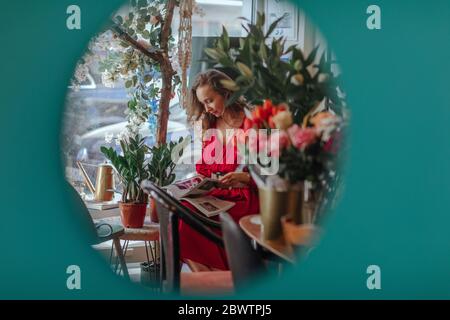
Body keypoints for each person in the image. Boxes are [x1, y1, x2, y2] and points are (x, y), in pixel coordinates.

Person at [180, 69, 260, 271]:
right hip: (217, 195)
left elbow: (271, 174)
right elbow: (206, 171)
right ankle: (210, 279)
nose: (206, 109)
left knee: (188, 218)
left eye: (209, 101)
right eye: (203, 103)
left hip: (246, 197)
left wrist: (243, 177)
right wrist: (198, 182)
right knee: (180, 210)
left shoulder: (253, 121)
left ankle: (214, 281)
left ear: (226, 93)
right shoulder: (209, 124)